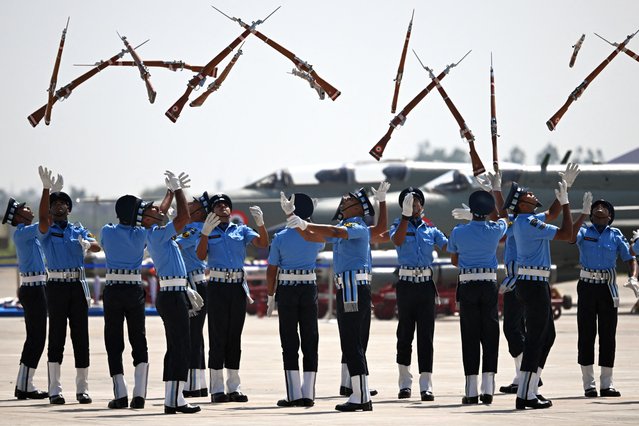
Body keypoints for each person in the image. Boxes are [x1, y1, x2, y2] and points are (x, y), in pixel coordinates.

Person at [287, 183, 389, 412]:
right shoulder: (349, 225)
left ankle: (361, 396)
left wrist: (305, 222)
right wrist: (293, 217)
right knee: (352, 342)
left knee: (352, 342)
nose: (342, 201)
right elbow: (312, 236)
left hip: (353, 287)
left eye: (347, 199)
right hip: (350, 287)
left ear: (358, 207)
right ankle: (359, 392)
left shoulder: (357, 226)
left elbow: (332, 232)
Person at [491, 163, 579, 394]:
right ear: (521, 204)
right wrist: (496, 191)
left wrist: (565, 190)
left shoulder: (527, 220)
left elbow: (551, 213)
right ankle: (525, 385)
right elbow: (566, 233)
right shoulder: (519, 222)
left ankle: (529, 381)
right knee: (520, 332)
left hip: (533, 281)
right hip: (523, 280)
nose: (532, 194)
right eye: (528, 194)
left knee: (544, 334)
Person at [36, 166, 101, 405]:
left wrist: (87, 244)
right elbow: (42, 218)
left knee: (81, 338)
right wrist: (46, 190)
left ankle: (82, 388)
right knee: (57, 337)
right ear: (51, 209)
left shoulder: (78, 228)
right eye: (55, 203)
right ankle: (55, 389)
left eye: (64, 202)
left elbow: (96, 246)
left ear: (69, 209)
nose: (59, 205)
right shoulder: (46, 230)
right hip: (56, 285)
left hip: (77, 284)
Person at [196, 194, 269, 403]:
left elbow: (263, 243)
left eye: (226, 205)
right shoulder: (208, 232)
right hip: (217, 286)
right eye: (218, 205)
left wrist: (260, 224)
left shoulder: (241, 230)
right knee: (217, 335)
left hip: (237, 286)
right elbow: (201, 256)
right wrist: (204, 234)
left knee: (234, 337)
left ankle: (234, 387)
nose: (223, 207)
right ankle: (217, 388)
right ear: (212, 211)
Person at [142, 170, 201, 414]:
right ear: (145, 218)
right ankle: (175, 399)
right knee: (181, 346)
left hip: (176, 292)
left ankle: (172, 399)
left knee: (176, 346)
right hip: (173, 295)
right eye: (153, 210)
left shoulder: (157, 233)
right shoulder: (158, 234)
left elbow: (164, 212)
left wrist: (169, 192)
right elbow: (185, 216)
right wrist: (178, 191)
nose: (160, 211)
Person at [570, 197, 638, 397]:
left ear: (610, 217)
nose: (599, 208)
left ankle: (607, 384)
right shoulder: (584, 231)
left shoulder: (615, 235)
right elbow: (571, 237)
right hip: (587, 287)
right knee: (586, 334)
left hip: (608, 288)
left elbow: (630, 258)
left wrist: (634, 277)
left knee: (608, 336)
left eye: (604, 207)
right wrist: (581, 214)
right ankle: (588, 384)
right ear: (591, 215)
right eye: (596, 207)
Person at [447, 179, 507, 405]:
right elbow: (504, 219)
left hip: (468, 284)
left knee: (470, 336)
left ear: (470, 211)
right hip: (488, 284)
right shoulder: (494, 230)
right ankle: (488, 389)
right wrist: (494, 191)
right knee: (490, 335)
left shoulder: (458, 232)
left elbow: (454, 260)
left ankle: (471, 391)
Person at [267, 192, 325, 407]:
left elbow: (272, 269)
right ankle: (308, 393)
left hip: (288, 290)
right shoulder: (315, 236)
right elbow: (316, 239)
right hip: (309, 288)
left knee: (289, 341)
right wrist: (310, 220)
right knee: (310, 339)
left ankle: (293, 394)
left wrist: (271, 294)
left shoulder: (280, 237)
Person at [390, 186, 447, 402]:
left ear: (422, 205)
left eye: (416, 203)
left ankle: (426, 385)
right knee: (404, 334)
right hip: (406, 285)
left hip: (425, 286)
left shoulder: (430, 229)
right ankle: (405, 383)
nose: (414, 207)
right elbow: (397, 240)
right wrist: (405, 217)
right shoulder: (398, 225)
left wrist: (472, 225)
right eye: (409, 204)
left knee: (426, 336)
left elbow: (449, 246)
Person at [100, 195, 153, 409]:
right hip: (134, 289)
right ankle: (139, 395)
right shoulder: (142, 234)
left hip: (113, 288)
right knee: (138, 339)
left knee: (114, 341)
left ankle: (120, 394)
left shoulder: (107, 231)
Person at [4, 193, 57, 400]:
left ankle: (24, 383)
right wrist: (47, 193)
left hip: (38, 288)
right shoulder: (23, 232)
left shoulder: (28, 233)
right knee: (36, 338)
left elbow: (47, 222)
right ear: (18, 217)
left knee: (36, 338)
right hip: (33, 289)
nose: (29, 209)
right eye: (24, 209)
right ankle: (24, 385)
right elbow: (46, 221)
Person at [176, 192, 210, 398]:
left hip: (193, 283)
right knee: (193, 333)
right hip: (191, 281)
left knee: (192, 334)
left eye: (192, 205)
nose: (187, 206)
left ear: (199, 213)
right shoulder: (190, 227)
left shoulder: (195, 229)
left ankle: (192, 384)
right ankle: (197, 382)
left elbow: (176, 244)